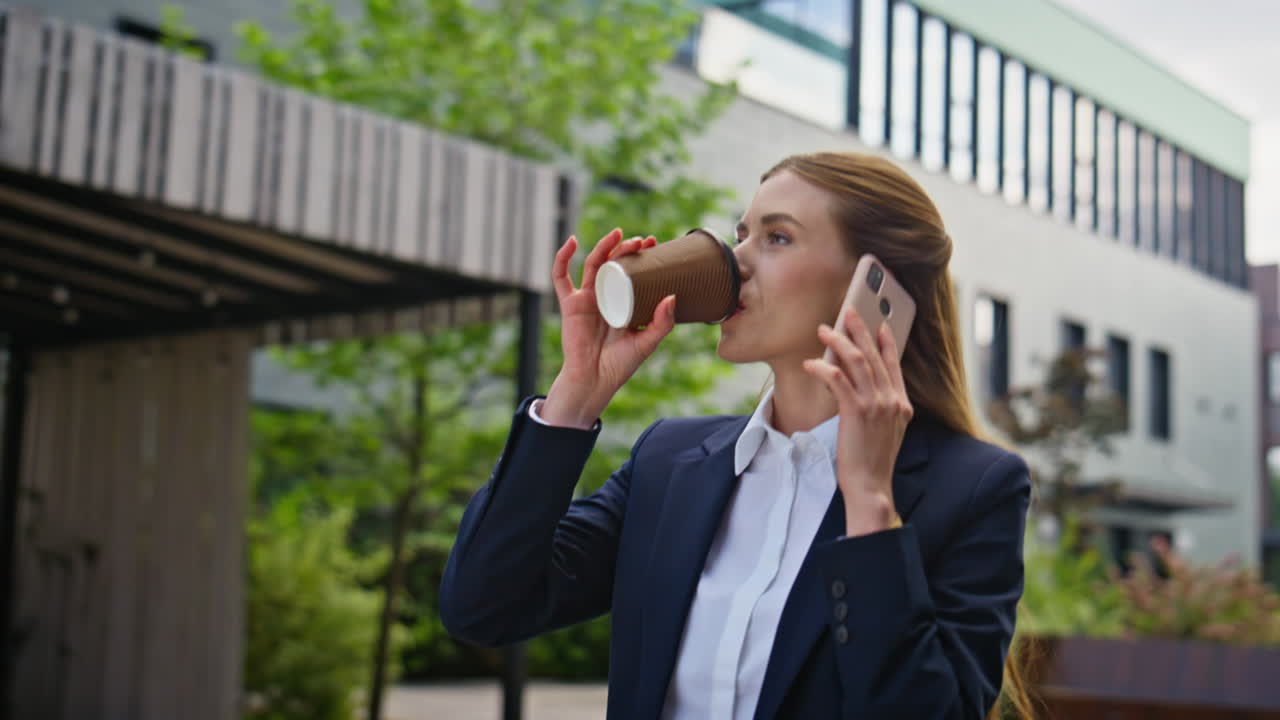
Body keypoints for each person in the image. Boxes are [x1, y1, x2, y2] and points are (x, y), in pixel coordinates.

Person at [440, 152, 1033, 719]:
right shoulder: (671, 462)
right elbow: (485, 604)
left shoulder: (974, 489)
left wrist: (870, 502)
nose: (734, 260)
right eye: (740, 234)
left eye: (777, 238)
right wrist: (574, 397)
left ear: (877, 286)